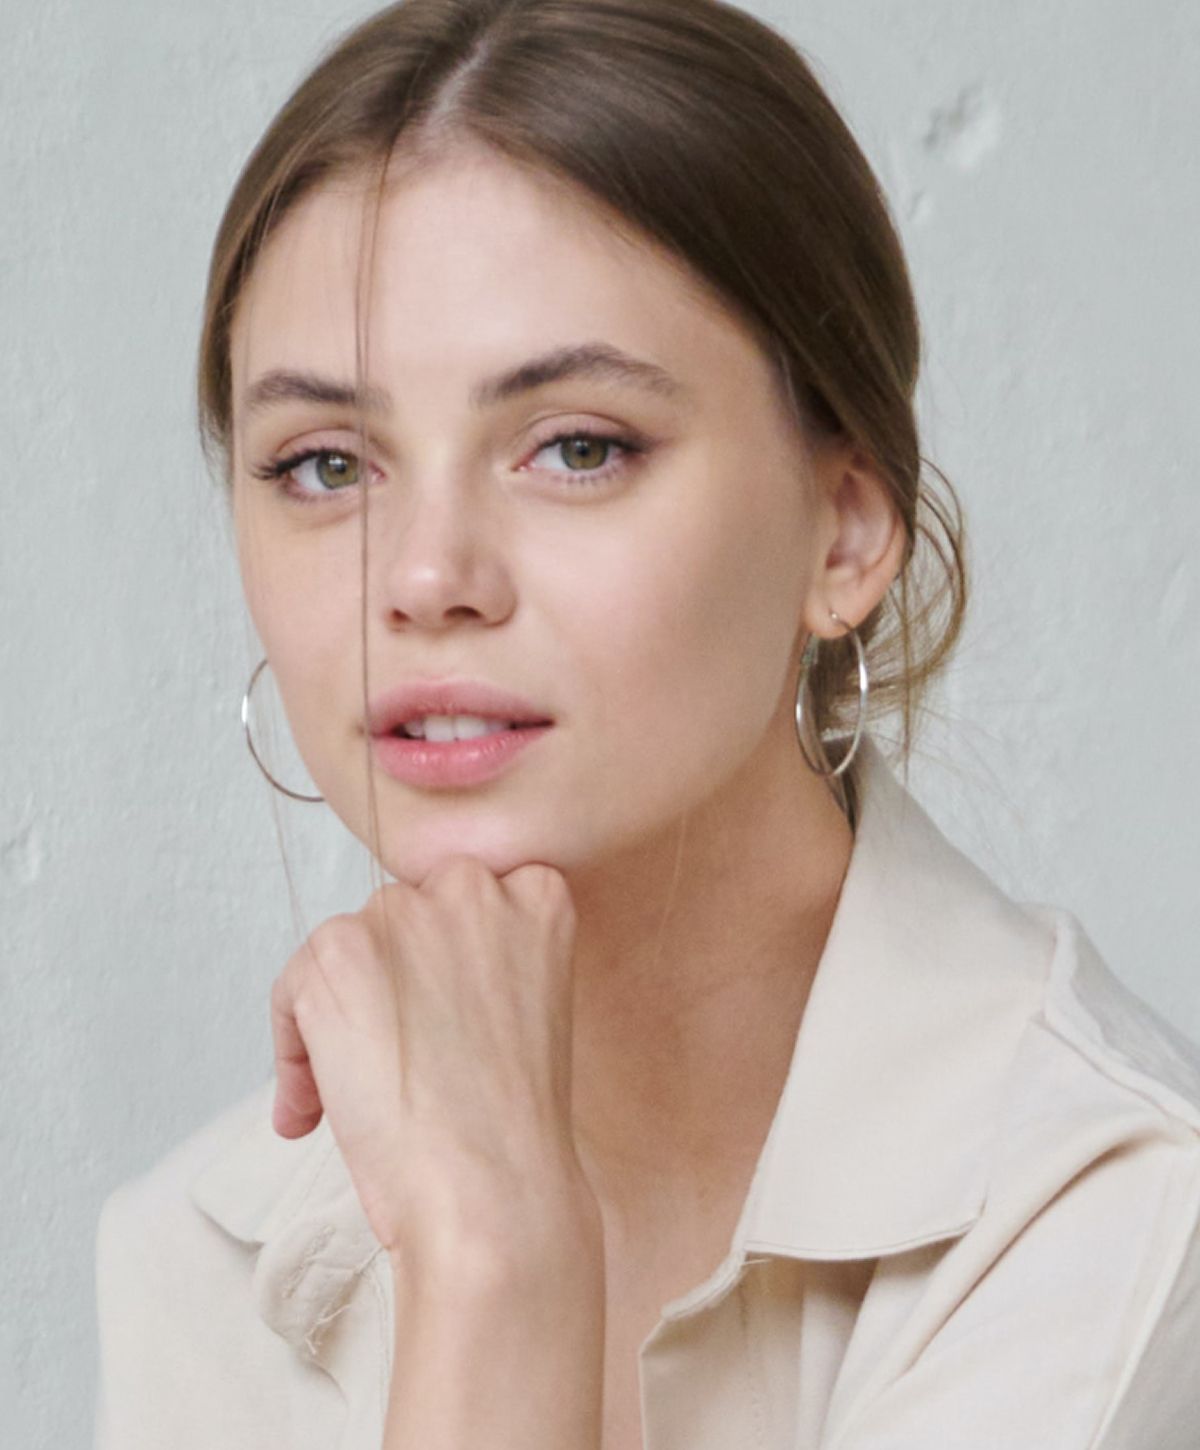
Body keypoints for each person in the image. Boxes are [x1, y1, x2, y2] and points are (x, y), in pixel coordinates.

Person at [92, 0, 1200, 1446]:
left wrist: (499, 1261)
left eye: (577, 446)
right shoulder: (198, 1252)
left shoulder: (1112, 1213)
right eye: (323, 465)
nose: (425, 577)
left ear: (844, 530)